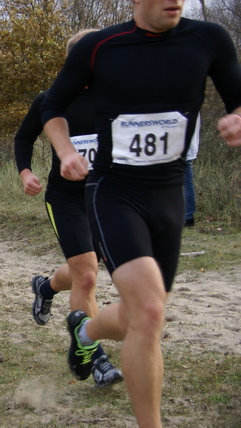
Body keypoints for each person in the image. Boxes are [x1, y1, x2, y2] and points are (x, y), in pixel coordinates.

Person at [41, 1, 241, 426]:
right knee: (150, 311)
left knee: (140, 315)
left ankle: (86, 331)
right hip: (114, 192)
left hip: (168, 195)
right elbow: (51, 107)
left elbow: (238, 101)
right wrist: (65, 151)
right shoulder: (99, 47)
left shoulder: (208, 39)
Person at [14, 29, 122, 388]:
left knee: (84, 269)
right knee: (88, 275)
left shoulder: (119, 96)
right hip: (66, 199)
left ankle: (45, 288)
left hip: (108, 198)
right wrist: (25, 172)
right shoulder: (51, 100)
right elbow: (24, 136)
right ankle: (96, 358)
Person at [184, 114, 200, 227]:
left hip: (181, 151)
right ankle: (188, 217)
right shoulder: (193, 105)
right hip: (189, 149)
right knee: (187, 185)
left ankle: (188, 217)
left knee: (186, 185)